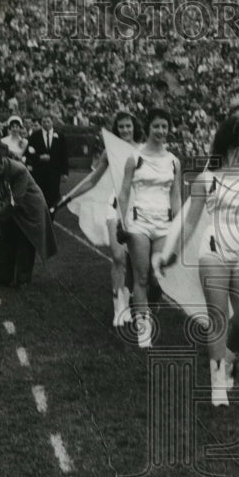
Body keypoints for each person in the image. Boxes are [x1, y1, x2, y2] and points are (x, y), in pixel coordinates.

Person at [153, 111, 239, 406]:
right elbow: (190, 223)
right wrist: (172, 254)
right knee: (217, 318)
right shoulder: (207, 178)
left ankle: (230, 358)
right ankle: (217, 384)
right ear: (231, 140)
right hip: (214, 250)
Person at [62, 111, 143, 326]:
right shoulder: (110, 152)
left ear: (134, 127)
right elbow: (92, 180)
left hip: (138, 210)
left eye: (129, 126)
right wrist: (69, 196)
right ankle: (118, 306)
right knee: (118, 257)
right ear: (117, 129)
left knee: (136, 262)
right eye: (122, 127)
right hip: (114, 207)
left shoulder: (142, 150)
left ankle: (130, 297)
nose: (126, 130)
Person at [118, 108, 182, 348]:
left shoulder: (173, 160)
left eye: (165, 127)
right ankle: (143, 330)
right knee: (142, 275)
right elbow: (124, 192)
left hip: (164, 224)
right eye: (156, 126)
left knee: (157, 279)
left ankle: (147, 306)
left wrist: (178, 226)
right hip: (139, 223)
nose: (161, 131)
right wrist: (121, 220)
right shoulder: (135, 158)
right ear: (148, 128)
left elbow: (176, 196)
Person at [0, 145, 58, 287]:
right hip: (8, 207)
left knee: (25, 242)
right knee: (4, 240)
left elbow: (16, 201)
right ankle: (3, 277)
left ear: (2, 162)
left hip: (29, 208)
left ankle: (22, 279)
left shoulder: (19, 170)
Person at [25, 112, 70, 209]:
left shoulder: (60, 136)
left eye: (48, 121)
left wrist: (65, 173)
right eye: (43, 122)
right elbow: (29, 153)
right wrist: (39, 157)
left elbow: (64, 155)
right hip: (39, 173)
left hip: (55, 172)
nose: (46, 124)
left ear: (52, 122)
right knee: (40, 196)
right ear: (41, 123)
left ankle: (51, 218)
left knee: (54, 197)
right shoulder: (35, 136)